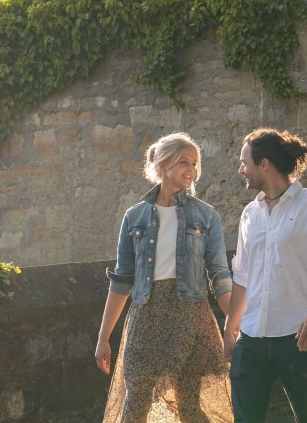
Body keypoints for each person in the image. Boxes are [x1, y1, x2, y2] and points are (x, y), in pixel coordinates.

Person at [96, 132, 235, 423]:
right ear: (162, 165)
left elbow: (220, 275)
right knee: (135, 406)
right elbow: (122, 280)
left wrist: (235, 326)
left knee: (191, 409)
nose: (191, 170)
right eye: (183, 162)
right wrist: (103, 337)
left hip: (191, 316)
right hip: (146, 316)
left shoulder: (207, 216)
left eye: (195, 163)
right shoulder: (134, 217)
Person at [222, 128, 307, 423]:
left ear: (264, 164)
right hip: (250, 338)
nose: (241, 170)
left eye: (244, 162)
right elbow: (241, 275)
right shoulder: (250, 214)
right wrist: (229, 329)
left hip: (297, 335)